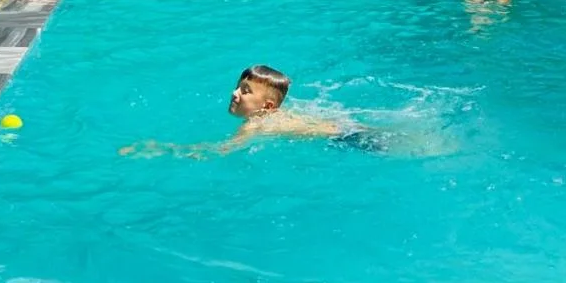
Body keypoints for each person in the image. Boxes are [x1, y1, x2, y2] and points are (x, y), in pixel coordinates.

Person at [119, 65, 384, 158]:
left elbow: (221, 151)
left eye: (245, 91)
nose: (234, 93)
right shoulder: (276, 115)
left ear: (267, 107)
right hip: (346, 131)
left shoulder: (254, 124)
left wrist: (161, 149)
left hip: (350, 139)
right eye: (237, 86)